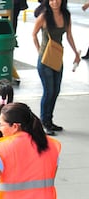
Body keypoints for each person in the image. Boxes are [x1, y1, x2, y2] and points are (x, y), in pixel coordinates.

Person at [32, 0, 80, 135]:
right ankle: (44, 123)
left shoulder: (66, 15)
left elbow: (69, 35)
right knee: (48, 91)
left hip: (57, 58)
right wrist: (39, 51)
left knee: (56, 90)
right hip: (45, 59)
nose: (55, 2)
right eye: (51, 0)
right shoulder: (44, 16)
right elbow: (33, 34)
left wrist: (76, 53)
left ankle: (49, 120)